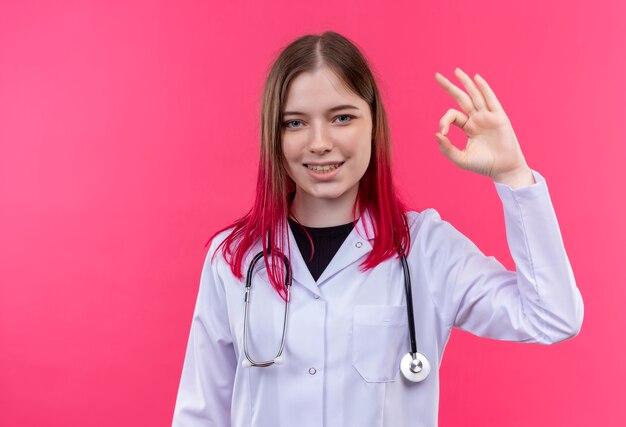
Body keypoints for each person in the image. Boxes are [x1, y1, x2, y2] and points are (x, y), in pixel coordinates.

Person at [172, 31, 584, 427]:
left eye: (342, 117)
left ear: (373, 125)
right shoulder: (234, 258)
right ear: (274, 136)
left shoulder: (425, 249)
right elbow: (200, 415)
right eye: (295, 123)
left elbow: (551, 317)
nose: (319, 142)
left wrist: (513, 175)